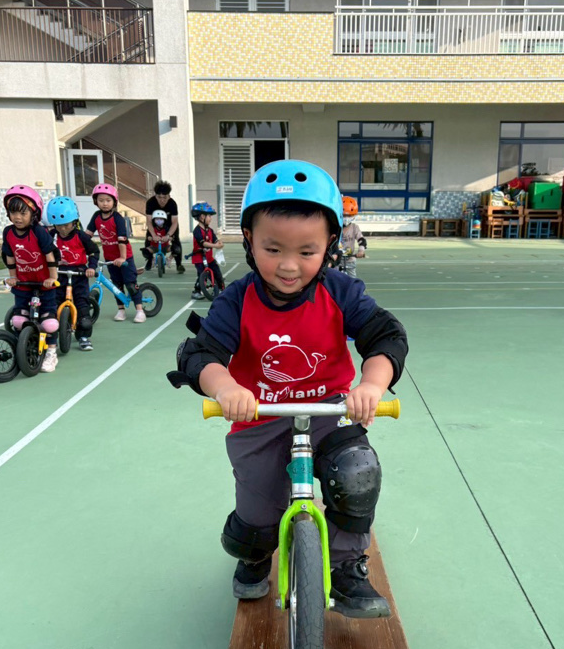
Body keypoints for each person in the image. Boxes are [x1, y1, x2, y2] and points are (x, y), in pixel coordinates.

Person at [171, 161, 408, 617]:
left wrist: (372, 384)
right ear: (248, 239)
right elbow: (202, 354)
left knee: (356, 472)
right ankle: (253, 552)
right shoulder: (236, 300)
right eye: (272, 248)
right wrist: (224, 387)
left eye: (307, 251)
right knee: (259, 516)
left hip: (327, 412)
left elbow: (385, 336)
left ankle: (346, 566)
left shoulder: (341, 292)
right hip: (259, 417)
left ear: (330, 244)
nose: (288, 265)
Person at [1, 184, 60, 373]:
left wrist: (52, 277)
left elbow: (50, 255)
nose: (17, 217)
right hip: (23, 283)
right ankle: (24, 347)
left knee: (48, 322)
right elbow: (10, 256)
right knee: (19, 320)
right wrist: (13, 277)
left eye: (23, 213)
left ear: (33, 213)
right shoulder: (8, 232)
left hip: (44, 283)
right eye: (13, 212)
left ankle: (51, 352)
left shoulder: (38, 231)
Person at [46, 196, 100, 351]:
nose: (62, 229)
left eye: (66, 225)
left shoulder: (80, 236)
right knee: (54, 304)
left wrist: (91, 267)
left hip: (79, 275)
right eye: (59, 225)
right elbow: (44, 252)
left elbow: (94, 252)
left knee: (82, 306)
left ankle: (84, 337)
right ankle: (53, 336)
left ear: (74, 221)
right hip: (59, 274)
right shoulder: (51, 236)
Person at [86, 183, 146, 323]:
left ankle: (140, 310)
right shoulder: (96, 217)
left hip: (125, 257)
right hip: (110, 258)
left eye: (108, 200)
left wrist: (123, 257)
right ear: (96, 202)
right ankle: (121, 310)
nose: (105, 203)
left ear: (114, 201)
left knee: (130, 284)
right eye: (101, 200)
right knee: (116, 285)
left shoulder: (117, 218)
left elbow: (122, 240)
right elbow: (87, 235)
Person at [144, 180, 183, 273]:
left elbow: (174, 222)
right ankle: (150, 259)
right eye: (159, 197)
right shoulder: (150, 202)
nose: (162, 200)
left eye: (164, 197)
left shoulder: (172, 204)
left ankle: (179, 264)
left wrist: (168, 235)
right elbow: (149, 221)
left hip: (169, 224)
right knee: (148, 240)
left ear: (169, 196)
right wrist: (153, 235)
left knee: (176, 242)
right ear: (155, 196)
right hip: (155, 224)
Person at [189, 201, 225, 300]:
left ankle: (221, 289)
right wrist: (215, 246)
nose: (210, 218)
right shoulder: (197, 231)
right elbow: (203, 243)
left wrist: (219, 243)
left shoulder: (210, 230)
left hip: (209, 258)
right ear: (202, 217)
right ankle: (196, 291)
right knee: (202, 275)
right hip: (199, 258)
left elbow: (215, 240)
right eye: (209, 216)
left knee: (217, 273)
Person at [338, 195, 367, 277]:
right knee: (334, 279)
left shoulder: (354, 227)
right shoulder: (336, 227)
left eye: (349, 216)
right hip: (336, 259)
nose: (346, 218)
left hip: (350, 260)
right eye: (344, 215)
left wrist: (361, 250)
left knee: (352, 280)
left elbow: (361, 240)